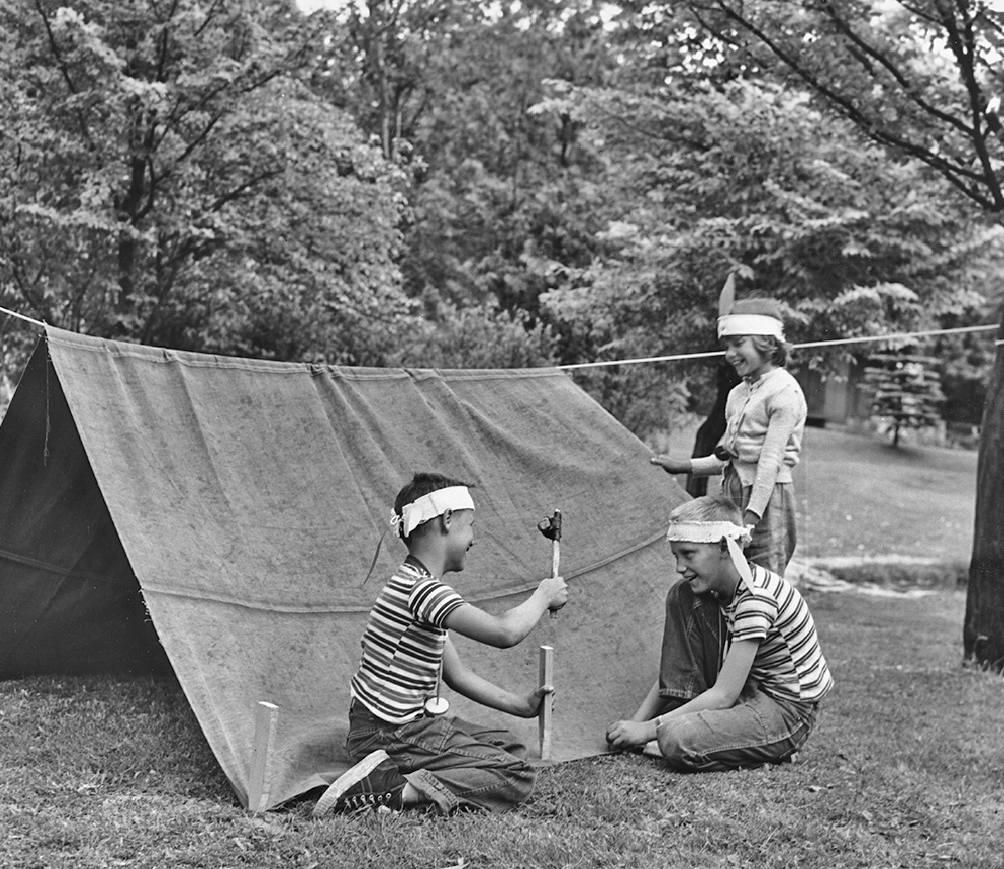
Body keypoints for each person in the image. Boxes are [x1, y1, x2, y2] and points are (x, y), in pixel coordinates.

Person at [314, 472, 568, 817]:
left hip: (392, 730)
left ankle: (392, 772)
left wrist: (521, 706)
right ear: (447, 519)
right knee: (515, 774)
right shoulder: (423, 591)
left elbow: (456, 674)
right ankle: (390, 791)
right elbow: (504, 632)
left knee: (508, 747)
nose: (473, 539)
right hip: (391, 733)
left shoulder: (414, 586)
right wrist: (543, 595)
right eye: (471, 524)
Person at [606, 496, 831, 772]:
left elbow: (724, 695)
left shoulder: (755, 598)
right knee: (681, 592)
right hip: (749, 690)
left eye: (688, 554)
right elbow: (677, 667)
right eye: (676, 556)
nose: (679, 566)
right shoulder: (711, 592)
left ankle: (770, 748)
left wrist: (646, 731)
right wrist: (636, 722)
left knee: (676, 738)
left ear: (726, 547)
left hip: (786, 710)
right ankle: (729, 733)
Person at [652, 295, 807, 574]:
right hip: (734, 490)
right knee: (731, 572)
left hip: (769, 496)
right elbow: (727, 456)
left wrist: (750, 517)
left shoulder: (784, 392)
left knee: (765, 572)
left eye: (738, 344)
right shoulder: (737, 394)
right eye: (727, 346)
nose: (729, 354)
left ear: (768, 343)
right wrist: (685, 466)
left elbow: (769, 462)